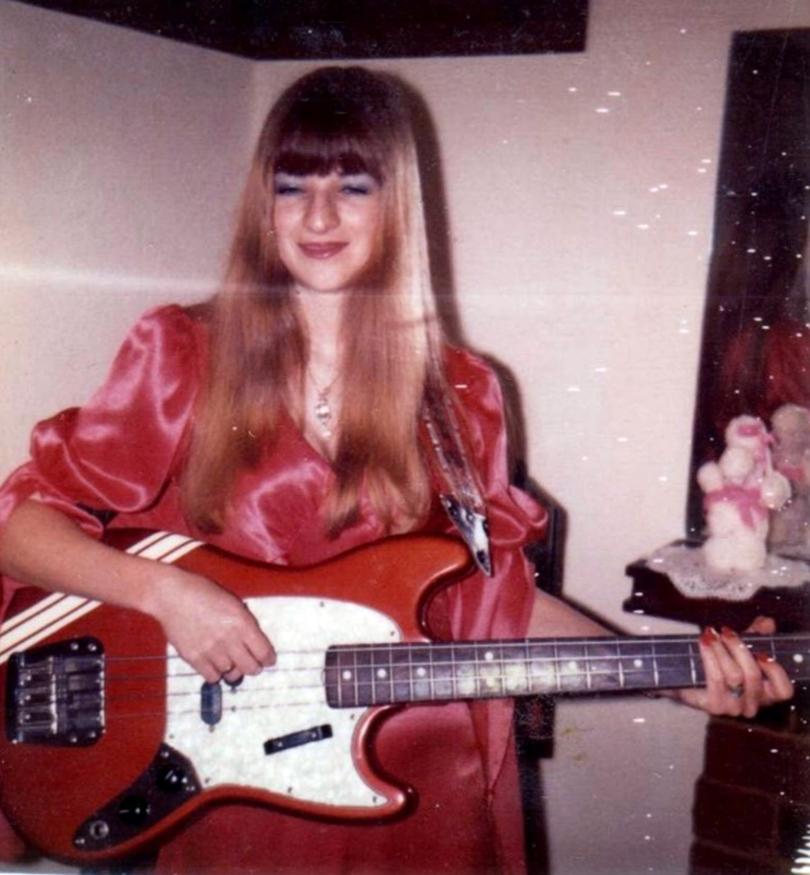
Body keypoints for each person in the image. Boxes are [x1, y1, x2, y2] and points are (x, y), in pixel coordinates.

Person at [0, 66, 794, 875]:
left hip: (425, 788)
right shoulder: (182, 354)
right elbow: (21, 530)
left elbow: (496, 607)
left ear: (397, 206)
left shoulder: (463, 393)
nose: (317, 216)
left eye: (353, 186)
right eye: (290, 186)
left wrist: (673, 677)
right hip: (246, 800)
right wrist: (166, 592)